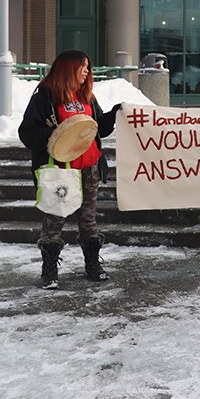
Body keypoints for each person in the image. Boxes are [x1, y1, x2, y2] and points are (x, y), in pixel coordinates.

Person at [18, 50, 121, 290]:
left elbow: (97, 130)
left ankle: (93, 266)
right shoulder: (45, 96)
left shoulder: (87, 97)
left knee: (89, 220)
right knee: (55, 219)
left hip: (90, 167)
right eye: (83, 66)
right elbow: (26, 133)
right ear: (68, 68)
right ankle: (50, 272)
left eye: (88, 66)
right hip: (61, 171)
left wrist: (114, 114)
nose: (87, 71)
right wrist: (59, 134)